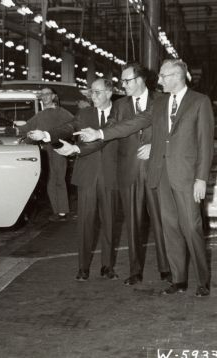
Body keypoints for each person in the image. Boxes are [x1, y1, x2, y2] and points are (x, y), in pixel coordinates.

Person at [77, 59, 214, 297]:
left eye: (162, 76)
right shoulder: (160, 103)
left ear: (176, 76)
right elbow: (133, 123)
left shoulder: (199, 102)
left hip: (186, 177)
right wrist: (100, 132)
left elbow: (205, 144)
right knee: (170, 228)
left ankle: (203, 280)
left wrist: (201, 178)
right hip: (160, 176)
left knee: (191, 227)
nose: (158, 80)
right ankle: (179, 280)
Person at [51, 78, 120, 281]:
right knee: (85, 224)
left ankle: (107, 266)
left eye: (97, 92)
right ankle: (83, 267)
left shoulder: (120, 113)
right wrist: (48, 134)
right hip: (87, 175)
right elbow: (68, 127)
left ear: (109, 93)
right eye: (91, 92)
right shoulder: (85, 113)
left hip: (111, 175)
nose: (93, 96)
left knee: (109, 224)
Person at [114, 63, 171, 286]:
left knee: (161, 222)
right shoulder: (119, 105)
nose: (123, 84)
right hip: (129, 173)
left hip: (156, 171)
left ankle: (166, 268)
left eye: (126, 80)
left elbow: (173, 132)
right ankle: (135, 271)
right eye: (122, 81)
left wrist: (156, 147)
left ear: (140, 80)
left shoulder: (162, 101)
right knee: (133, 225)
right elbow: (111, 129)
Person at [14, 87, 73, 222]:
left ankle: (62, 212)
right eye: (42, 94)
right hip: (47, 151)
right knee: (52, 180)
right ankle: (59, 211)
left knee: (57, 180)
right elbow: (27, 128)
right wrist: (14, 128)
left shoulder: (63, 113)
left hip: (59, 149)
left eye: (47, 94)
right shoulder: (40, 115)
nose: (44, 96)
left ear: (53, 96)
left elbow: (74, 126)